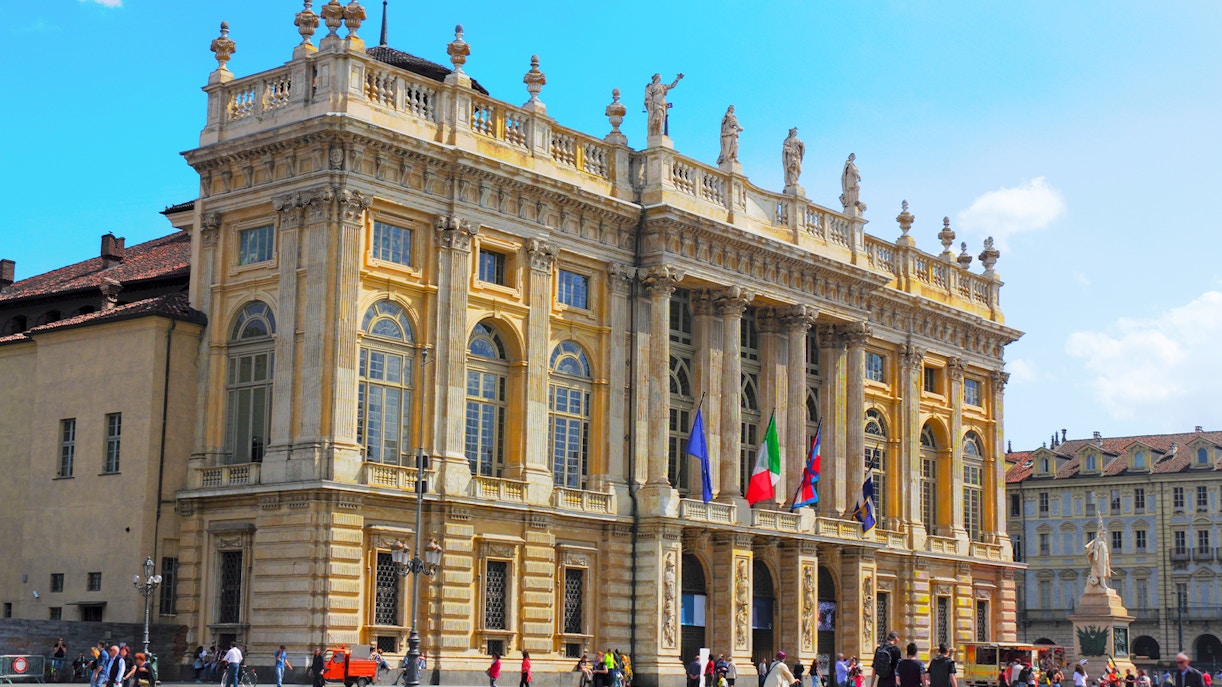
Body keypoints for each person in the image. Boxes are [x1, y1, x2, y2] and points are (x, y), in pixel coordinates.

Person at [644, 73, 684, 137]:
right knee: (656, 118)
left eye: (660, 78)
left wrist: (677, 79)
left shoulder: (662, 86)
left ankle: (659, 132)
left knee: (661, 119)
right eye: (659, 78)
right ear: (655, 78)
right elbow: (648, 96)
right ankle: (655, 133)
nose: (660, 79)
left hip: (662, 105)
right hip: (655, 104)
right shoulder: (650, 86)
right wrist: (650, 103)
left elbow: (671, 86)